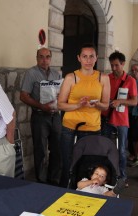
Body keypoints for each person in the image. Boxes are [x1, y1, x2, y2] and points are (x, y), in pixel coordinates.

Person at [57, 43, 110, 188]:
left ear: (96, 58)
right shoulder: (71, 77)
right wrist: (77, 105)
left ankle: (84, 192)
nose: (88, 60)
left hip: (92, 128)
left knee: (87, 164)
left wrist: (97, 104)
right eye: (84, 57)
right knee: (68, 163)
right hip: (70, 128)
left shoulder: (103, 78)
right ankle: (63, 190)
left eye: (91, 56)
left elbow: (106, 105)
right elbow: (60, 104)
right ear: (79, 58)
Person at [20, 47, 62, 184]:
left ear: (51, 58)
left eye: (47, 57)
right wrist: (41, 106)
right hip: (39, 116)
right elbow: (23, 96)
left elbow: (62, 94)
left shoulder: (57, 74)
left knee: (57, 149)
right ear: (37, 58)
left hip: (55, 116)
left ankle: (54, 179)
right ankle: (42, 181)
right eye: (41, 57)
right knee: (41, 150)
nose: (45, 60)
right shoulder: (31, 73)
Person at [101, 51, 138, 188]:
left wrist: (119, 101)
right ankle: (105, 175)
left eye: (116, 65)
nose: (114, 68)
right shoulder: (107, 77)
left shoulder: (130, 80)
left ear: (123, 64)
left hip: (121, 120)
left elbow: (134, 102)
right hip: (106, 118)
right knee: (105, 148)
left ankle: (122, 176)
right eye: (112, 65)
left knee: (121, 150)